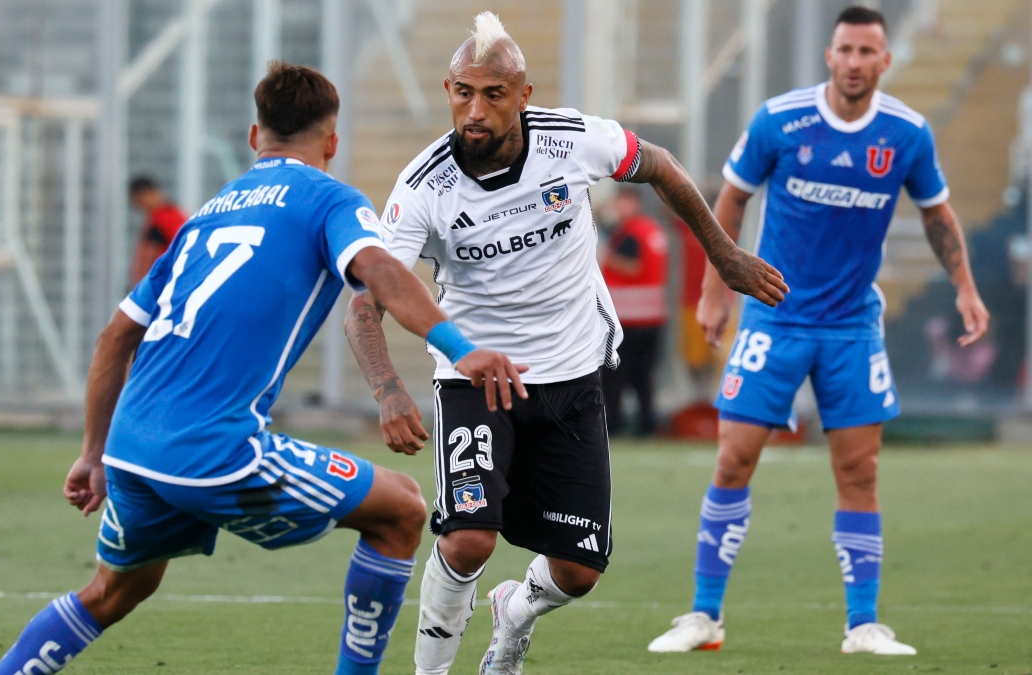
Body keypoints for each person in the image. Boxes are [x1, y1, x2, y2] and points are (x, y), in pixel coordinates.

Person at [0, 62, 527, 675]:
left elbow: (115, 338)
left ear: (253, 137)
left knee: (114, 592)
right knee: (401, 508)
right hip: (214, 448)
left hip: (132, 449)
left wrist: (92, 453)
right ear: (331, 142)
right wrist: (459, 347)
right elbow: (380, 272)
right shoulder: (329, 199)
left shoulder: (205, 216)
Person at [343, 12, 788, 674]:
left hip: (573, 375)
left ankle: (515, 613)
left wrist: (723, 256)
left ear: (523, 94)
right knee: (467, 540)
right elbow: (365, 302)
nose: (476, 109)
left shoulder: (572, 139)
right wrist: (386, 388)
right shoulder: (423, 187)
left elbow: (659, 165)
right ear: (447, 90)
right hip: (474, 381)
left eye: (494, 94)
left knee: (580, 570)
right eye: (464, 92)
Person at [647, 6, 989, 656]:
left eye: (868, 52)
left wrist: (968, 288)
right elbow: (732, 197)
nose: (856, 62)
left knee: (859, 469)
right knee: (732, 457)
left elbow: (939, 214)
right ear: (828, 56)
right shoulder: (780, 119)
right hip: (774, 315)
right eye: (846, 51)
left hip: (852, 326)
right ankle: (703, 616)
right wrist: (716, 289)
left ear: (885, 61)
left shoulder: (908, 134)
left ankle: (863, 624)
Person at [599, 186, 669, 436]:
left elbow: (633, 267)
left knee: (615, 376)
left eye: (621, 202)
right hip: (653, 317)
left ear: (634, 202)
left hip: (628, 317)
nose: (618, 208)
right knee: (643, 378)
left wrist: (605, 256)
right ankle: (646, 425)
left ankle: (615, 424)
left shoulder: (630, 233)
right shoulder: (653, 230)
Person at [128, 176, 187, 283]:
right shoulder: (176, 214)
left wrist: (140, 286)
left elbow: (150, 256)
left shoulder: (161, 220)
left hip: (162, 283)